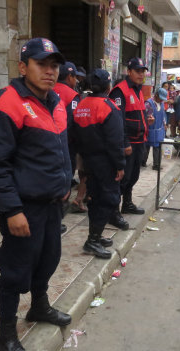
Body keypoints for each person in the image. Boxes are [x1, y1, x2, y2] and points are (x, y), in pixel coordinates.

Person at [0, 38, 72, 351]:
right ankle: (5, 338)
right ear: (22, 66)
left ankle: (39, 306)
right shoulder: (5, 103)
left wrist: (66, 182)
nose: (50, 71)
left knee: (48, 260)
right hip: (23, 207)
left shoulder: (56, 101)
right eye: (41, 64)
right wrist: (11, 209)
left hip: (51, 205)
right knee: (15, 272)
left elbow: (57, 149)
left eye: (54, 65)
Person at [73, 69, 125, 259]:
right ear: (108, 86)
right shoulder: (109, 107)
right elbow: (115, 141)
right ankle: (93, 241)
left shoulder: (81, 105)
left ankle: (95, 235)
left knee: (94, 197)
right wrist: (120, 165)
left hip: (87, 161)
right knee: (109, 199)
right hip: (106, 162)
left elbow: (74, 135)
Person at [109, 57, 154, 227]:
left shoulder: (138, 90)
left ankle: (127, 204)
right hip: (127, 144)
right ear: (129, 72)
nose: (141, 74)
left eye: (143, 71)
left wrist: (146, 121)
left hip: (139, 141)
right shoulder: (120, 91)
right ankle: (113, 213)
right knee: (122, 179)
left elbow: (136, 114)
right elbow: (118, 120)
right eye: (138, 71)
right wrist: (125, 143)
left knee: (133, 176)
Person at [54, 61, 86, 219]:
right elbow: (73, 121)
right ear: (70, 76)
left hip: (46, 142)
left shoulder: (48, 89)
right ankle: (58, 216)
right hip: (66, 144)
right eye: (75, 77)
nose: (77, 81)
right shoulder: (72, 95)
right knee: (65, 178)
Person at [142, 88, 168, 170]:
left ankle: (156, 165)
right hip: (149, 129)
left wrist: (165, 124)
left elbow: (163, 115)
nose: (161, 100)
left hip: (159, 129)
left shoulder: (162, 103)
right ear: (156, 95)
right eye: (161, 98)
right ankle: (142, 162)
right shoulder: (148, 104)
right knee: (146, 146)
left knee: (157, 147)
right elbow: (143, 116)